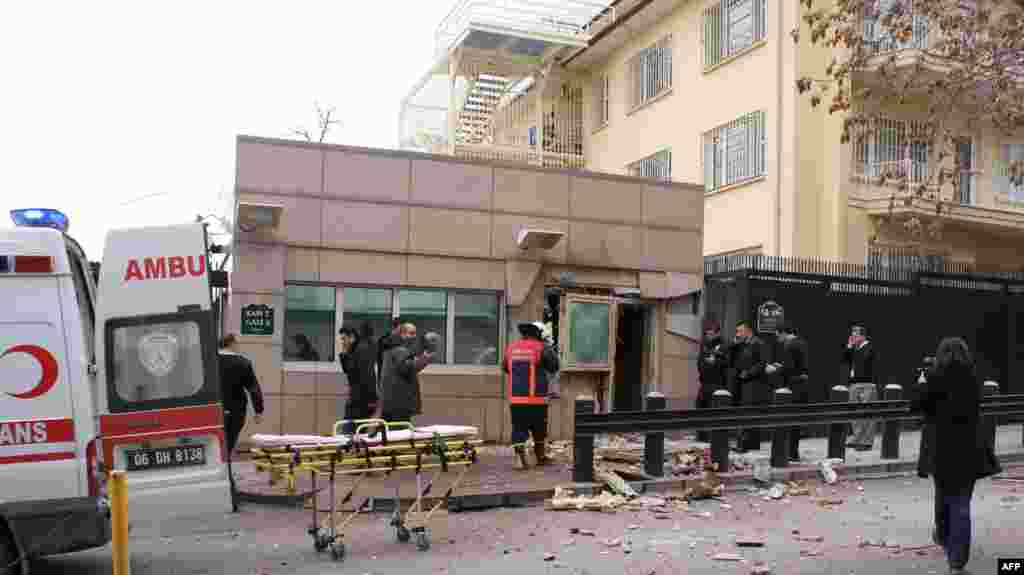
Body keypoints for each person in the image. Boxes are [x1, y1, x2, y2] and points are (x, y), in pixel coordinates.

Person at [913, 337, 1001, 575]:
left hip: (940, 448)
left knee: (942, 496)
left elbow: (916, 406)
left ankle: (942, 534)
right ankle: (957, 564)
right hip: (968, 448)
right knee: (962, 502)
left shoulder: (933, 376)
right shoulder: (972, 376)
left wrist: (921, 381)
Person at [503, 321, 560, 469]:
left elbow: (505, 367)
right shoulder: (542, 348)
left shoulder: (511, 348)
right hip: (537, 399)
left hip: (516, 399)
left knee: (518, 428)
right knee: (539, 428)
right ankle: (540, 457)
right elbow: (554, 366)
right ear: (538, 335)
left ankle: (519, 458)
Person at [218, 334, 265, 512]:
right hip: (235, 413)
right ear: (231, 343)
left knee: (221, 452)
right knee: (227, 450)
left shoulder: (210, 361)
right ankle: (229, 493)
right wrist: (259, 410)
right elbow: (254, 388)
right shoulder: (242, 363)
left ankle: (226, 489)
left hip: (214, 412)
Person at [768, 321, 809, 461]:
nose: (777, 338)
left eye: (777, 335)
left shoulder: (789, 345)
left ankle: (789, 453)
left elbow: (790, 368)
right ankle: (793, 452)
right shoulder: (801, 342)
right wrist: (782, 365)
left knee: (788, 420)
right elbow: (799, 365)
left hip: (792, 387)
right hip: (802, 386)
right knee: (795, 420)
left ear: (783, 333)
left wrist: (776, 369)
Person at [377, 323, 433, 425]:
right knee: (399, 432)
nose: (414, 336)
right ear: (402, 334)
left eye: (415, 333)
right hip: (399, 402)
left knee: (385, 429)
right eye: (411, 333)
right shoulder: (400, 350)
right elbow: (408, 368)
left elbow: (409, 358)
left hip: (391, 401)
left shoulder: (392, 348)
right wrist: (426, 357)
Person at [729, 320, 767, 452]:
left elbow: (762, 364)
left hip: (753, 384)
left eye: (740, 331)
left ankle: (745, 444)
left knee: (748, 413)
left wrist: (749, 373)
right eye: (737, 331)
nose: (738, 334)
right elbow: (731, 358)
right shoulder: (740, 345)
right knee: (743, 412)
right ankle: (747, 443)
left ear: (749, 331)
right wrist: (734, 344)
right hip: (740, 383)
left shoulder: (758, 343)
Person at [338, 323, 379, 435]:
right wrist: (344, 354)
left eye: (344, 339)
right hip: (360, 399)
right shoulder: (357, 349)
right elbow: (349, 371)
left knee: (350, 432)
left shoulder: (360, 350)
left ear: (352, 337)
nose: (342, 342)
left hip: (361, 400)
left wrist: (370, 401)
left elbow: (363, 375)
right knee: (357, 431)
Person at [842, 324, 877, 451]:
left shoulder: (869, 347)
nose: (852, 336)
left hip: (866, 384)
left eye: (855, 334)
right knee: (855, 414)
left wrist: (854, 348)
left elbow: (864, 360)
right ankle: (857, 438)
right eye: (852, 334)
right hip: (854, 384)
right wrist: (849, 346)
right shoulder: (854, 348)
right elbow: (845, 359)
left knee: (867, 414)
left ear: (863, 336)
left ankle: (866, 442)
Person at [696, 320, 727, 443]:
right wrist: (702, 368)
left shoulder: (723, 345)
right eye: (707, 334)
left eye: (711, 334)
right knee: (700, 407)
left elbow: (727, 363)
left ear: (717, 333)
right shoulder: (704, 344)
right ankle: (701, 436)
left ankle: (712, 438)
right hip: (704, 382)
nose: (708, 336)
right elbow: (699, 360)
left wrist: (715, 363)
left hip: (717, 383)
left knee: (713, 410)